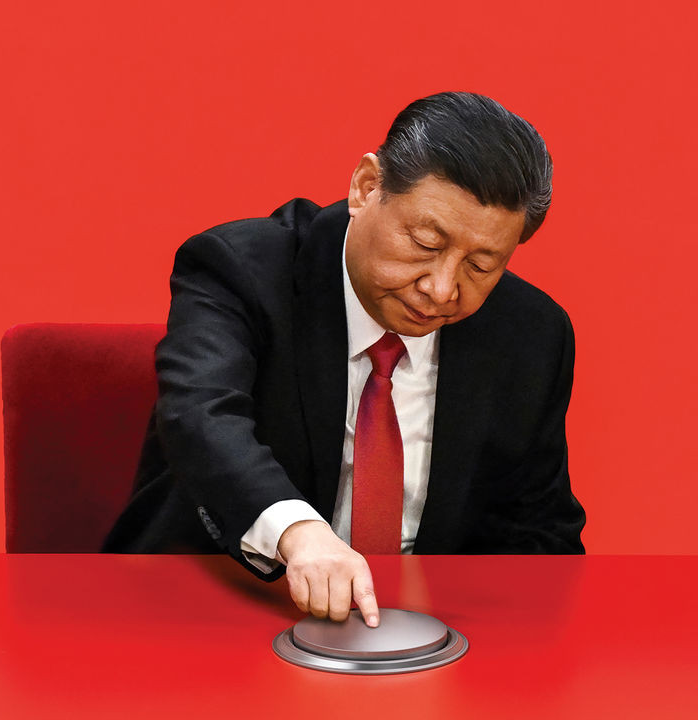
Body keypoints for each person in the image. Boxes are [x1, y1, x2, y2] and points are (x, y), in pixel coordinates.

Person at [103, 91, 585, 628]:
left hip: (421, 632)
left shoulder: (531, 333)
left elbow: (540, 528)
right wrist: (298, 533)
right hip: (214, 606)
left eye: (481, 265)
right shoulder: (240, 269)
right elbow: (201, 416)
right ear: (366, 186)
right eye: (426, 243)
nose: (441, 288)